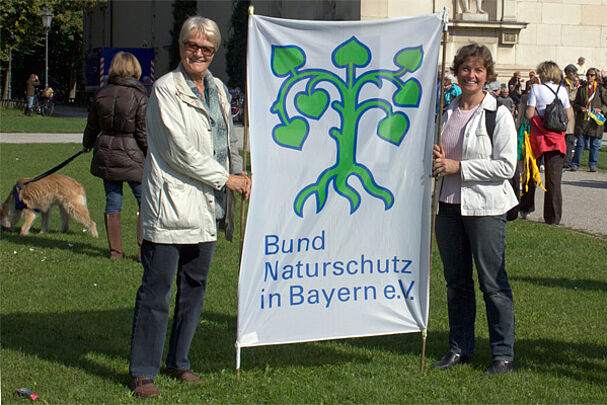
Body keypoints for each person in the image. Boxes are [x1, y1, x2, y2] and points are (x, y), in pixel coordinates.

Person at [127, 16, 251, 398]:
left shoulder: (217, 88)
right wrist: (225, 178)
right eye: (192, 46)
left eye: (206, 48)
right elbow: (179, 152)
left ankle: (179, 362)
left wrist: (239, 172)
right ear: (181, 47)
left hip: (209, 206)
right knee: (157, 290)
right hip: (171, 204)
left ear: (213, 53)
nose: (198, 53)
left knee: (195, 287)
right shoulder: (166, 89)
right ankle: (143, 372)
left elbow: (226, 140)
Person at [432, 43, 518, 376]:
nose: (472, 75)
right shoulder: (445, 111)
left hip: (484, 208)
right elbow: (438, 158)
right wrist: (435, 159)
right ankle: (459, 348)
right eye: (466, 69)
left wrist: (459, 167)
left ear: (487, 75)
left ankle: (502, 355)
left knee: (492, 283)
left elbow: (506, 166)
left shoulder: (498, 113)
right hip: (447, 207)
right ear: (457, 72)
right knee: (456, 283)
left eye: (478, 70)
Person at [83, 52, 149, 260]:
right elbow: (142, 131)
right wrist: (150, 153)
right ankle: (142, 249)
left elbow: (92, 125)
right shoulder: (140, 96)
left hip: (107, 152)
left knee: (112, 200)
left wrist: (87, 145)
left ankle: (115, 251)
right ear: (135, 70)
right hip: (132, 154)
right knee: (144, 201)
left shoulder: (102, 93)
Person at [519, 61, 571, 225]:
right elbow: (568, 114)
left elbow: (529, 114)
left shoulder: (536, 88)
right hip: (556, 138)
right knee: (554, 179)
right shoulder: (562, 90)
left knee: (532, 173)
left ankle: (526, 207)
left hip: (538, 136)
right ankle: (553, 217)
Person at [570, 68, 607, 172]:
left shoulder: (600, 89)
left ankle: (593, 164)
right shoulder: (582, 89)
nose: (589, 77)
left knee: (594, 144)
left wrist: (601, 109)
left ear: (596, 77)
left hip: (595, 121)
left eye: (592, 75)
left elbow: (606, 103)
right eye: (588, 75)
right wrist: (580, 108)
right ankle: (575, 164)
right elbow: (575, 103)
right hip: (583, 120)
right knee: (580, 144)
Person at [562, 64, 580, 168]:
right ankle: (566, 161)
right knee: (568, 138)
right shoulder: (565, 84)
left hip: (571, 112)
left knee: (569, 139)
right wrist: (576, 90)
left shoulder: (570, 84)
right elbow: (569, 98)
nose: (575, 76)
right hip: (566, 112)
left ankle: (567, 160)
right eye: (574, 74)